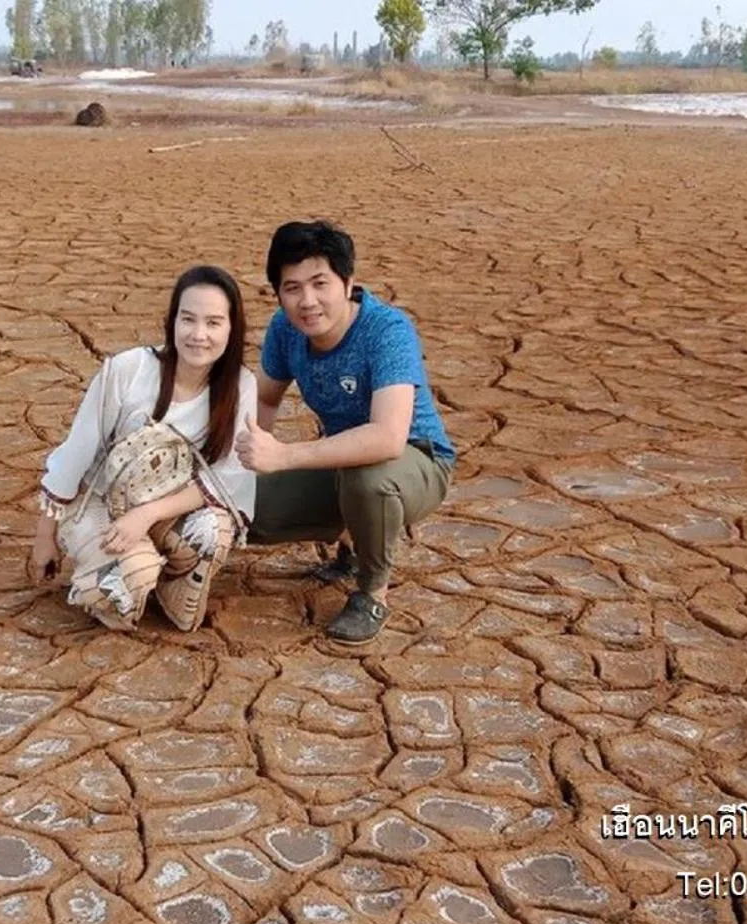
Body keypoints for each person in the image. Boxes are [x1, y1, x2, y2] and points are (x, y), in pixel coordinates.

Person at [236, 220, 455, 644]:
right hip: (340, 463)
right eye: (292, 288)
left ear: (348, 281)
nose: (308, 301)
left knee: (369, 480)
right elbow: (263, 397)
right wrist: (248, 463)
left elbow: (388, 438)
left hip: (416, 460)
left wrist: (283, 456)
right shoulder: (286, 329)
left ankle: (372, 590)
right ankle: (354, 529)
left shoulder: (385, 331)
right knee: (246, 511)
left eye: (320, 283)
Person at [27, 265, 258, 631]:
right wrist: (45, 538)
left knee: (214, 530)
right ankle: (111, 580)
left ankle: (173, 587)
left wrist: (147, 514)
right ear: (172, 322)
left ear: (232, 328)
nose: (199, 335)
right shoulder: (129, 369)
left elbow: (228, 478)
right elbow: (76, 452)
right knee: (134, 575)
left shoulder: (240, 386)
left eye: (214, 323)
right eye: (188, 320)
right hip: (100, 500)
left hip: (160, 506)